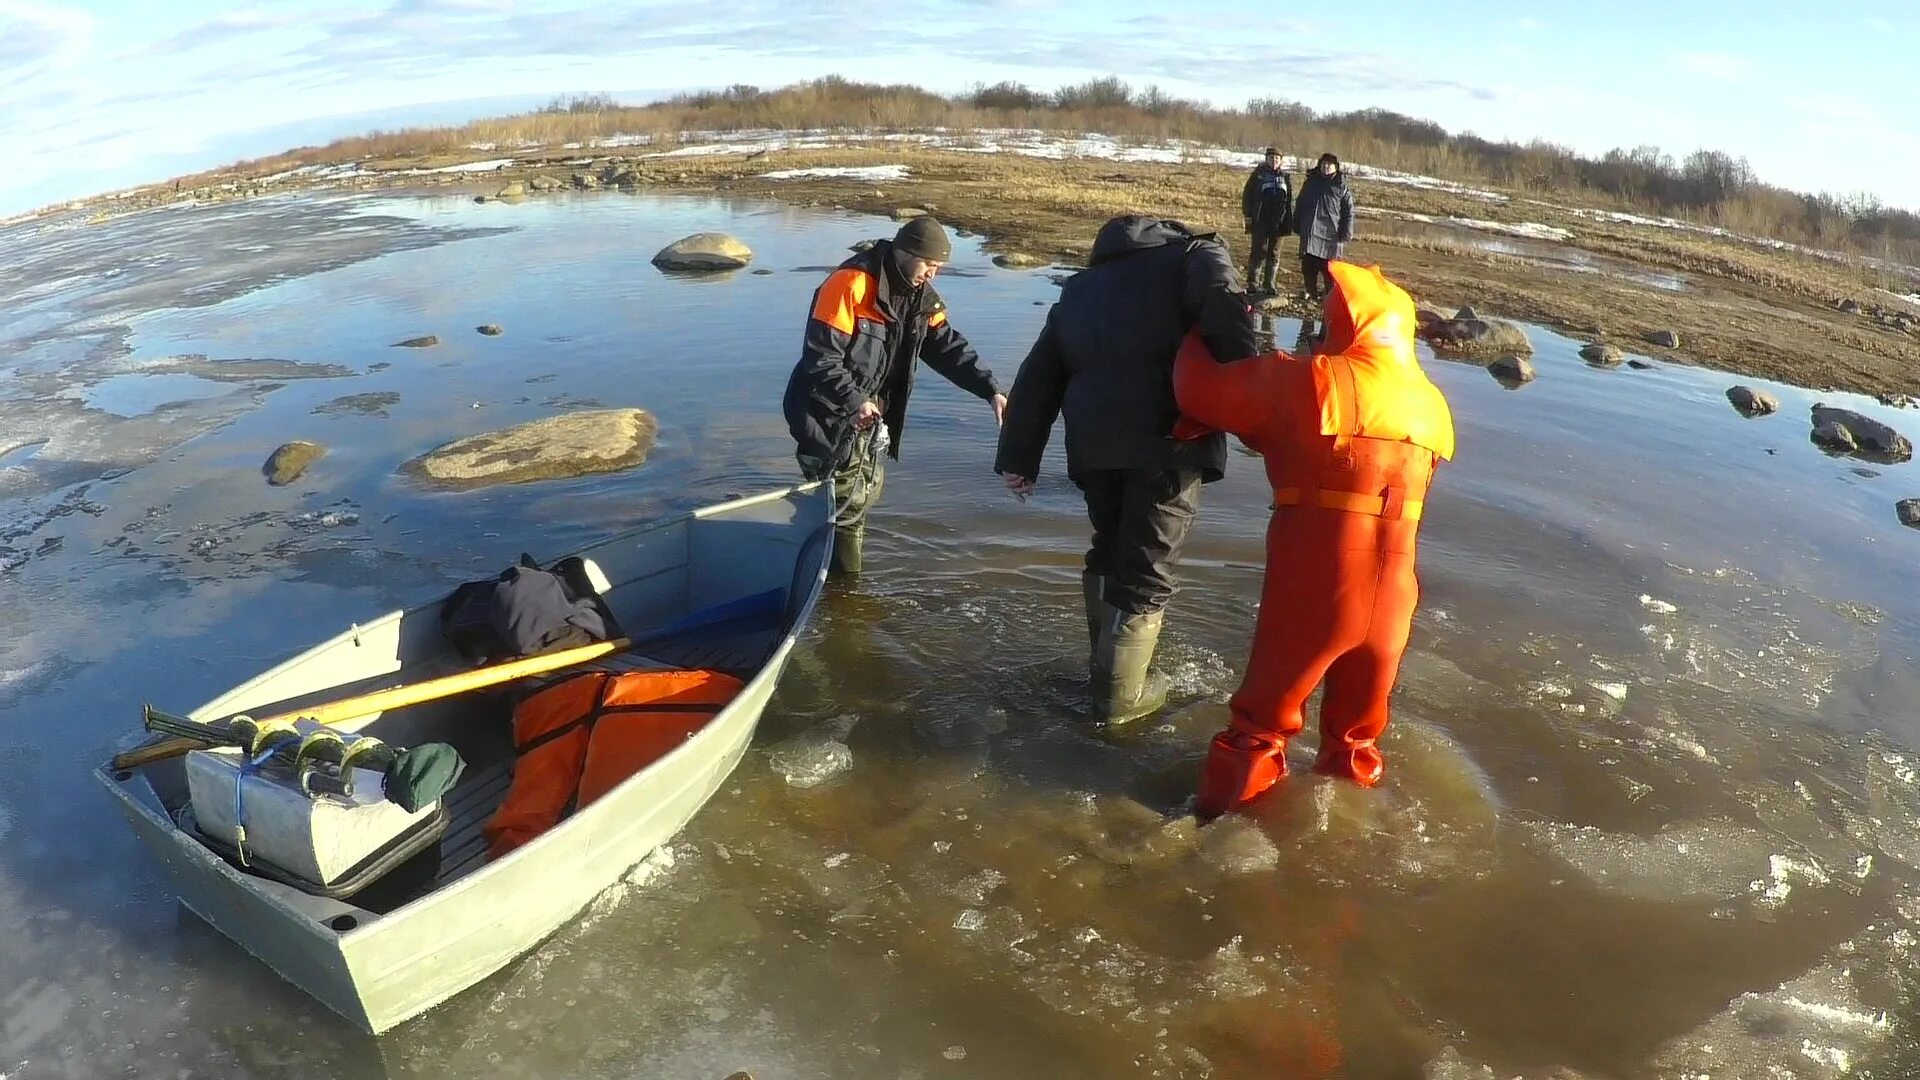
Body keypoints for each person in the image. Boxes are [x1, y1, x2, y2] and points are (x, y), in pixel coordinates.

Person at [1171, 260, 1455, 819]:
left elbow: (1196, 390)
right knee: (1355, 740)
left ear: (1350, 328)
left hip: (1321, 587)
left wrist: (1192, 328)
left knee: (1260, 728)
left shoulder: (1311, 379)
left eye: (1328, 326)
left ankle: (1218, 833)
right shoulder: (1432, 407)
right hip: (1397, 597)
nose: (1320, 337)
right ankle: (1348, 832)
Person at [994, 215, 1257, 724]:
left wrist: (1018, 459)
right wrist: (1253, 410)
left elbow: (1039, 374)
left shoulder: (1082, 287)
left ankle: (1104, 670)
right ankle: (1118, 703)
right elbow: (1231, 326)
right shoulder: (1195, 257)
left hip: (1093, 447)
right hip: (1170, 440)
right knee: (1146, 570)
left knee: (1111, 548)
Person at [783, 217, 1007, 576]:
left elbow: (947, 346)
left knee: (858, 500)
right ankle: (839, 590)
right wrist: (855, 401)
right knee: (840, 505)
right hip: (824, 411)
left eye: (939, 267)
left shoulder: (921, 297)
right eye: (929, 265)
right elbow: (820, 358)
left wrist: (990, 389)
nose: (933, 274)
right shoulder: (850, 283)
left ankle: (829, 581)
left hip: (870, 415)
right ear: (906, 252)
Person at [1293, 152, 1355, 306]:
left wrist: (1346, 232)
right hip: (1311, 230)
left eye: (1329, 164)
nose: (1326, 167)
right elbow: (1300, 202)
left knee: (1329, 269)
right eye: (1323, 164)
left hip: (1331, 233)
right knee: (1308, 265)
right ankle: (1311, 292)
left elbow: (1349, 211)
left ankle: (1330, 297)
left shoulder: (1341, 186)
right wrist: (1296, 222)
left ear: (1335, 167)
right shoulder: (1311, 182)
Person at [1241, 147, 1294, 296]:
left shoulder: (1286, 177)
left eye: (1277, 158)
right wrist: (1248, 215)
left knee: (1274, 253)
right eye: (1271, 158)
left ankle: (1269, 284)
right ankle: (1253, 284)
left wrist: (1289, 221)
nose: (1274, 161)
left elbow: (1290, 201)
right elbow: (1247, 196)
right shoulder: (1258, 176)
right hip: (1261, 220)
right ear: (1266, 159)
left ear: (1281, 161)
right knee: (1258, 251)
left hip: (1279, 222)